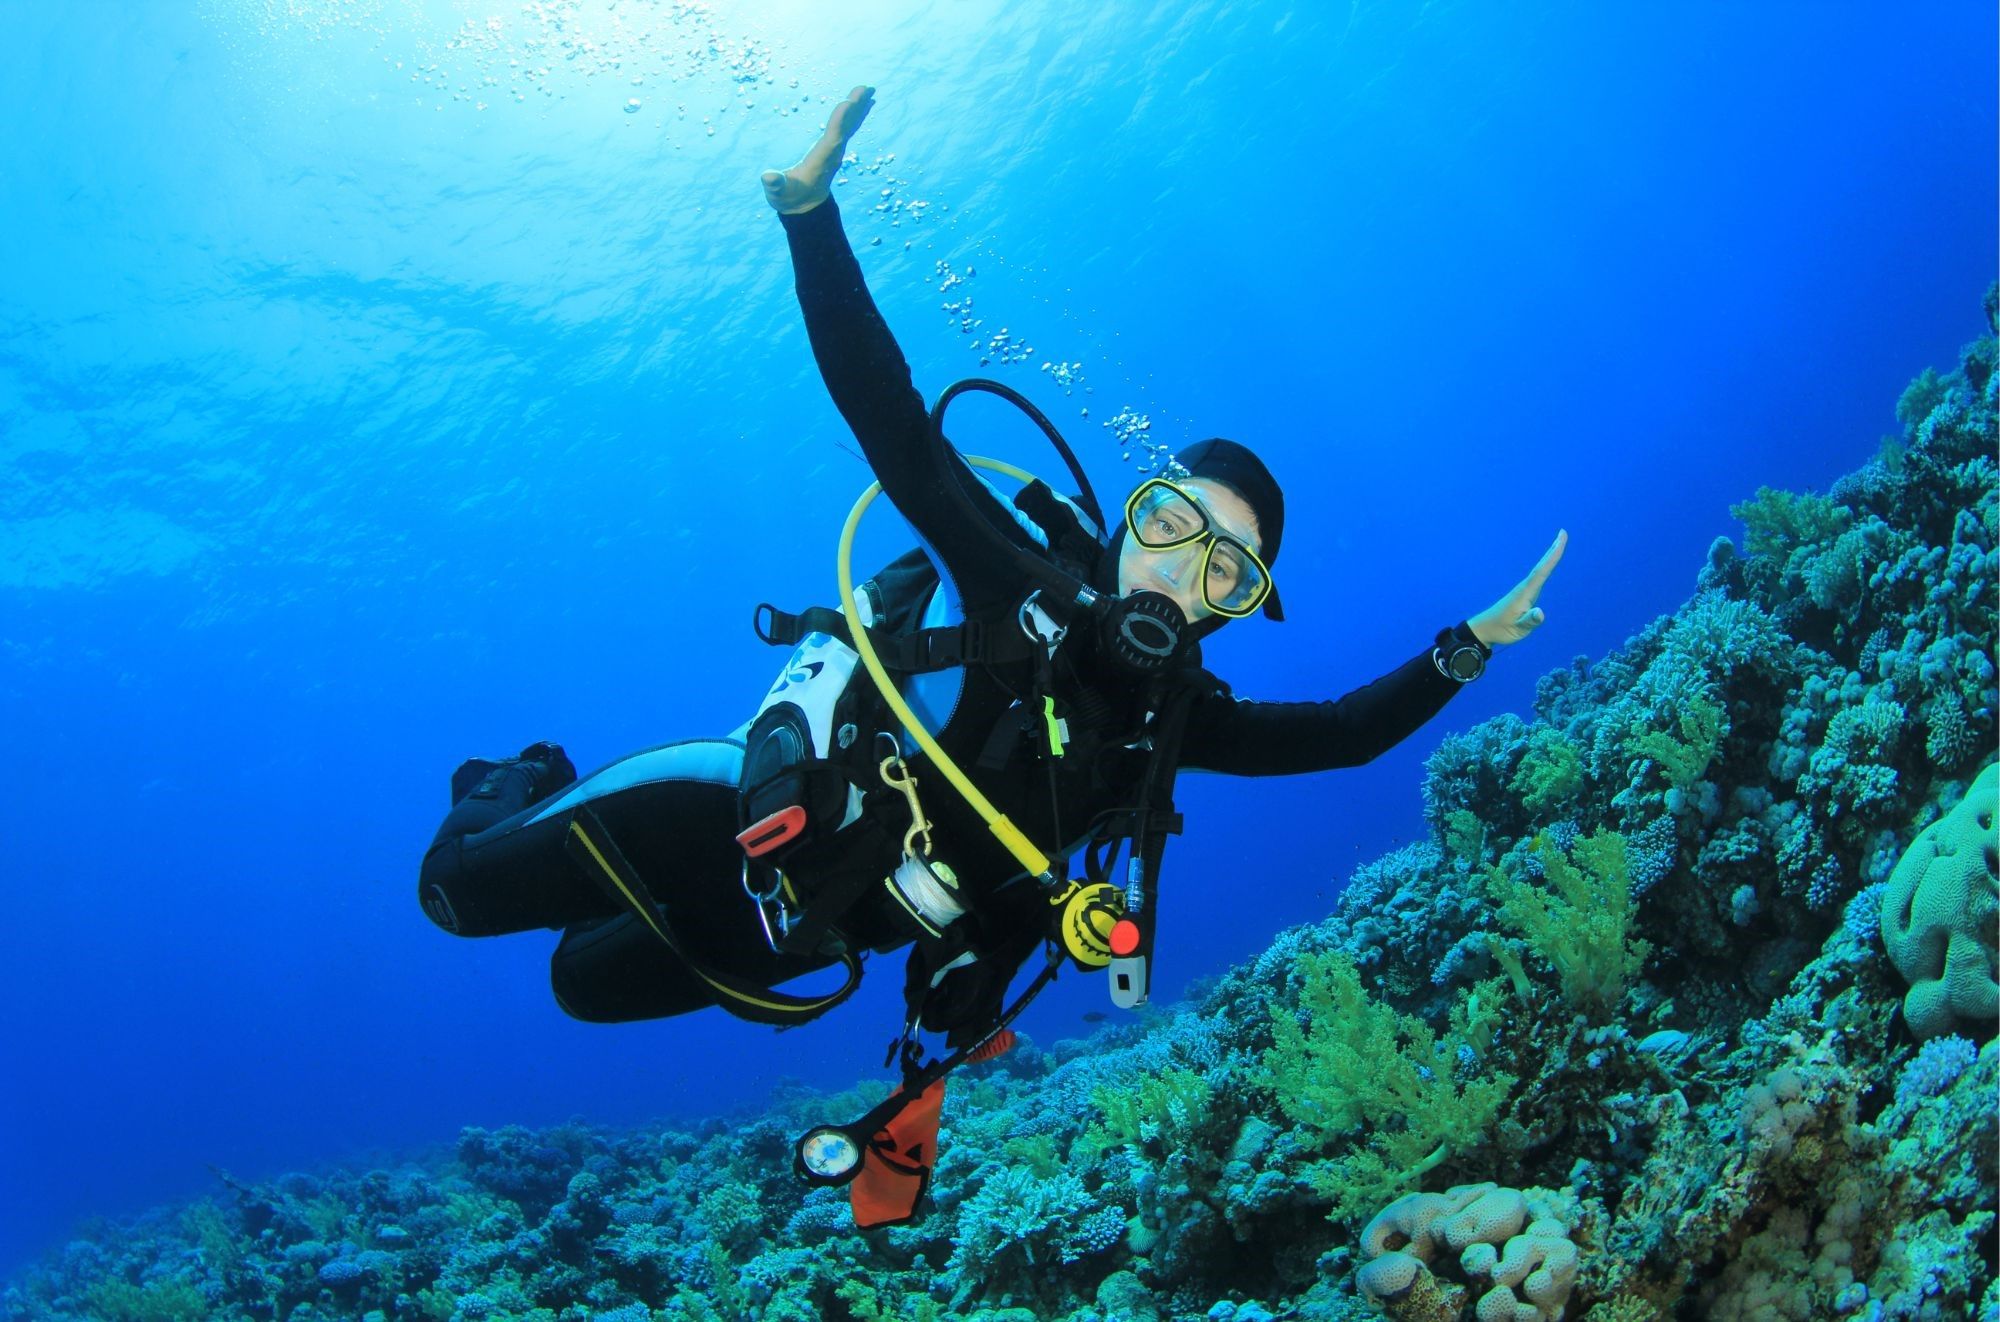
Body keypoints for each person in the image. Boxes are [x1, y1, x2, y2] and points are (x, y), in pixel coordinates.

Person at [417, 84, 1565, 1210]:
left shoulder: (1175, 723)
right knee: (454, 894)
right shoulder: (1017, 577)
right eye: (1172, 523)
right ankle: (516, 783)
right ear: (1130, 514)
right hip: (727, 811)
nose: (1179, 569)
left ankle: (564, 839)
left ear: (1235, 604)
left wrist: (1467, 644)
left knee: (579, 984)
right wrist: (812, 222)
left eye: (1225, 566)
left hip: (794, 931)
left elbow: (1342, 737)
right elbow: (891, 420)